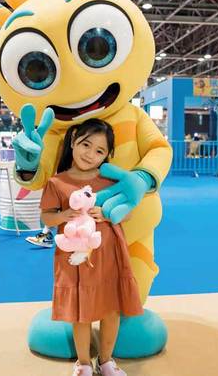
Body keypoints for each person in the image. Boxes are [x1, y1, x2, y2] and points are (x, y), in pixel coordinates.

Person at [39, 118, 142, 376]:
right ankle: (83, 363)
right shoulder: (57, 182)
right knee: (81, 313)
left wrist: (107, 214)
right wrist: (63, 216)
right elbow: (46, 218)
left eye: (99, 151)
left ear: (107, 155)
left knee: (111, 309)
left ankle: (106, 361)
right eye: (86, 145)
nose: (90, 154)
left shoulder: (111, 180)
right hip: (75, 260)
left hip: (109, 255)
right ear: (73, 141)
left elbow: (128, 212)